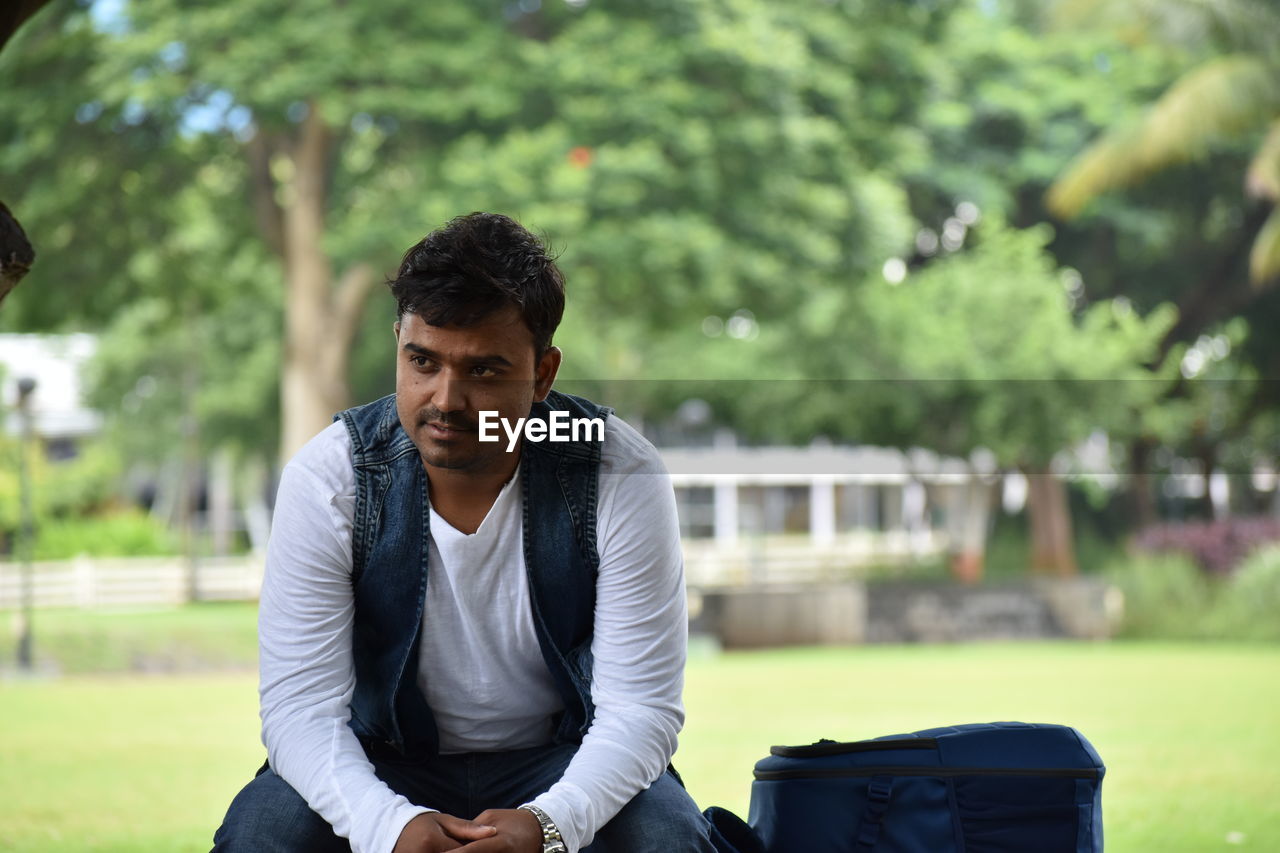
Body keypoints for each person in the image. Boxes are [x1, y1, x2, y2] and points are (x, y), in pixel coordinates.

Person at [212, 212, 718, 853]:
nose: (445, 399)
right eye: (422, 361)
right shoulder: (332, 475)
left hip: (563, 759)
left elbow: (639, 710)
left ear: (542, 374)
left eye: (483, 371)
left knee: (669, 838)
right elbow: (300, 711)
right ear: (397, 340)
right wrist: (388, 825)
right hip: (382, 759)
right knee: (261, 834)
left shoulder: (616, 471)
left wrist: (548, 825)